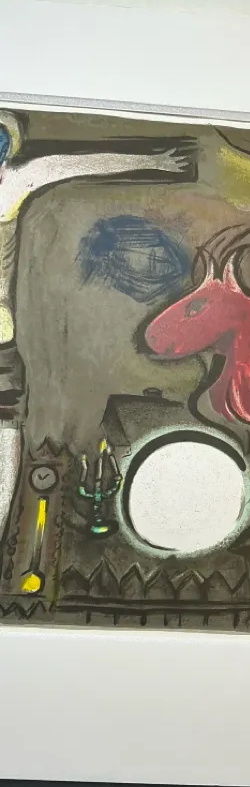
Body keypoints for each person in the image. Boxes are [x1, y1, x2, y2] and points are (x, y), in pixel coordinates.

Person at [0, 110, 193, 543]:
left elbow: (72, 165)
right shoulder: (11, 185)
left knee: (7, 433)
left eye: (0, 144)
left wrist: (154, 162)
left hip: (1, 347)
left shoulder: (10, 185)